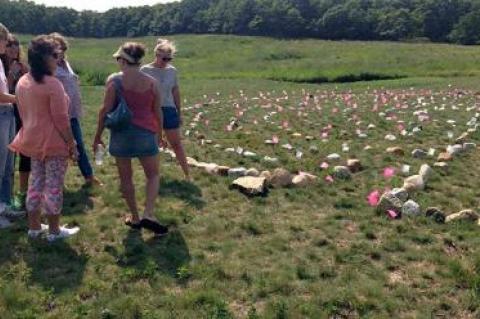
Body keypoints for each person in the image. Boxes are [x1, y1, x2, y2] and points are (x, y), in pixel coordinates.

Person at [9, 35, 80, 241]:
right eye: (55, 55)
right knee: (54, 186)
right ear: (44, 58)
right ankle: (55, 231)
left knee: (35, 183)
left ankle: (33, 228)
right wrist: (72, 144)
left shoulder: (23, 81)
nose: (59, 59)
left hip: (32, 142)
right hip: (54, 143)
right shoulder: (53, 85)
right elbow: (61, 120)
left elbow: (23, 111)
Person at [93, 42, 168, 236]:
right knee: (152, 175)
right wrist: (160, 134)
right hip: (146, 134)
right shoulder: (152, 83)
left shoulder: (114, 81)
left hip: (121, 135)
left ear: (124, 60)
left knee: (126, 178)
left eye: (118, 59)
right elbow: (157, 111)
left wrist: (97, 136)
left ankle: (135, 217)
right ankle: (149, 214)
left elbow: (104, 111)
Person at [49, 33, 102, 187]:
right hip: (59, 113)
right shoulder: (50, 68)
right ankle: (58, 181)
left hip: (72, 111)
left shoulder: (65, 63)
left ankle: (88, 176)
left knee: (77, 144)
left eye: (64, 49)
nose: (62, 53)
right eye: (58, 50)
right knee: (65, 146)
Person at [141, 38, 190, 180]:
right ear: (156, 55)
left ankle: (187, 174)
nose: (167, 61)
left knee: (176, 144)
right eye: (164, 58)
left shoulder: (172, 71)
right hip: (151, 111)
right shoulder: (145, 70)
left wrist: (179, 112)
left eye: (170, 59)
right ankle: (154, 176)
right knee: (154, 144)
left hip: (168, 110)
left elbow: (175, 91)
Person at [6, 34, 30, 212]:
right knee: (8, 156)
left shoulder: (23, 66)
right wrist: (11, 77)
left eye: (15, 46)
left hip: (23, 113)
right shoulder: (2, 66)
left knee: (25, 153)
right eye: (9, 46)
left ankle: (23, 192)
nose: (13, 49)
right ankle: (6, 195)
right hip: (6, 112)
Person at [0, 23, 17, 227]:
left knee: (8, 165)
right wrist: (20, 98)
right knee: (0, 164)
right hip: (1, 114)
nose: (7, 43)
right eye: (5, 40)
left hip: (7, 113)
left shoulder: (1, 62)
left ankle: (5, 206)